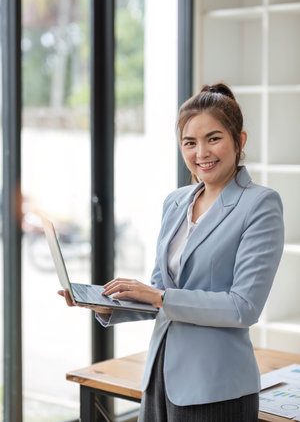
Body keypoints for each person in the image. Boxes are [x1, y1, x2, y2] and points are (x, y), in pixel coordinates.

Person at [59, 83, 284, 421]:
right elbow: (158, 293)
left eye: (214, 138)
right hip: (160, 376)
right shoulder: (176, 202)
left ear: (240, 140)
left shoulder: (260, 204)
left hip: (216, 386)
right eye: (189, 142)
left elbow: (243, 307)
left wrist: (160, 296)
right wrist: (104, 304)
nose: (201, 153)